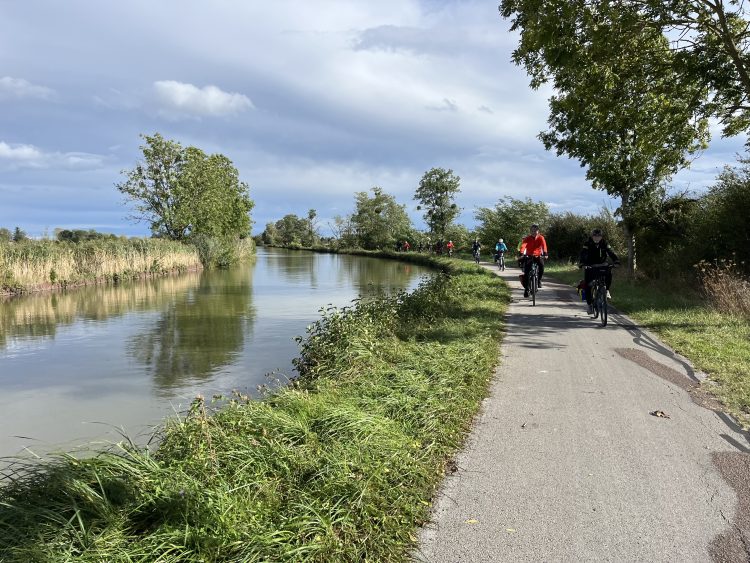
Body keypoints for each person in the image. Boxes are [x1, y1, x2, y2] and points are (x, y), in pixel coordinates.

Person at [579, 228, 620, 313]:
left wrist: (616, 261)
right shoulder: (587, 243)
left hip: (602, 264)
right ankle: (589, 305)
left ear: (601, 237)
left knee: (609, 272)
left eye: (599, 236)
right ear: (592, 236)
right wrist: (582, 263)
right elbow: (583, 253)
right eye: (595, 236)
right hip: (590, 265)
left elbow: (610, 252)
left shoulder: (604, 243)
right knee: (587, 285)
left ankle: (607, 290)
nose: (597, 238)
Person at [519, 224, 548, 298]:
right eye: (532, 230)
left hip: (538, 255)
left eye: (535, 230)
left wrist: (545, 253)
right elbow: (523, 245)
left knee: (541, 267)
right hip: (529, 256)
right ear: (530, 231)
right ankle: (526, 289)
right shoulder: (527, 238)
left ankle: (538, 280)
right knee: (527, 272)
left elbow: (544, 245)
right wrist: (521, 253)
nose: (534, 232)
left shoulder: (541, 237)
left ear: (538, 231)